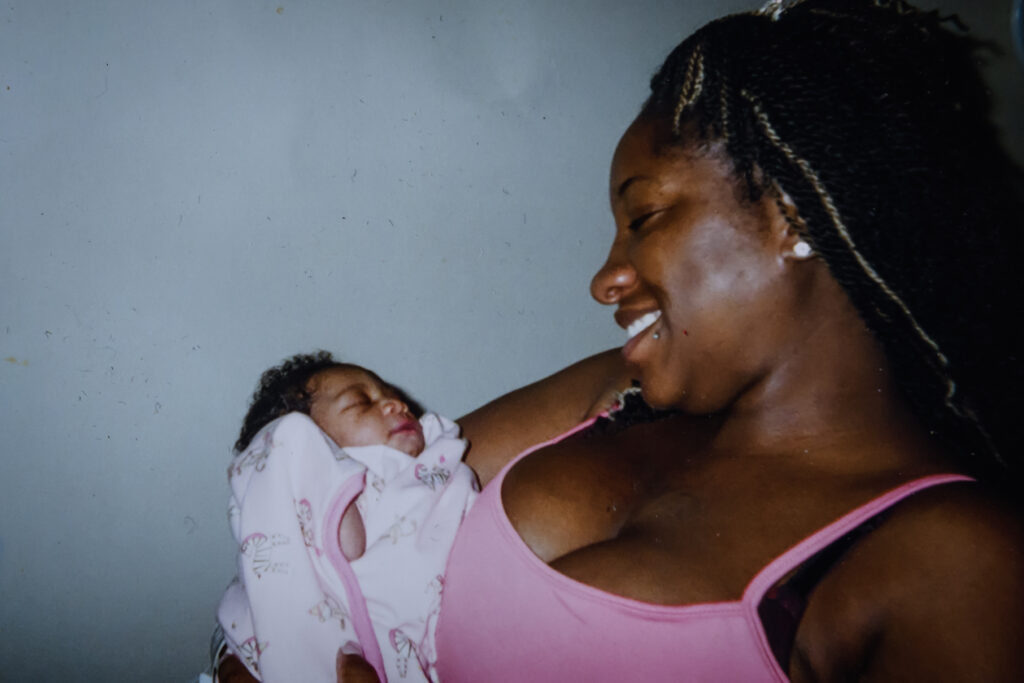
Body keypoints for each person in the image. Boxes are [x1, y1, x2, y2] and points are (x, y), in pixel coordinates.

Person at [220, 1, 1024, 680]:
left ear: (793, 217)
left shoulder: (955, 561)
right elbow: (321, 538)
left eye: (643, 218)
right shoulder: (621, 391)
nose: (605, 278)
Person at [215, 352, 478, 683]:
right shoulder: (315, 480)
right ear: (314, 441)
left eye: (393, 396)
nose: (397, 404)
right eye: (361, 402)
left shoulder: (437, 464)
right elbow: (344, 540)